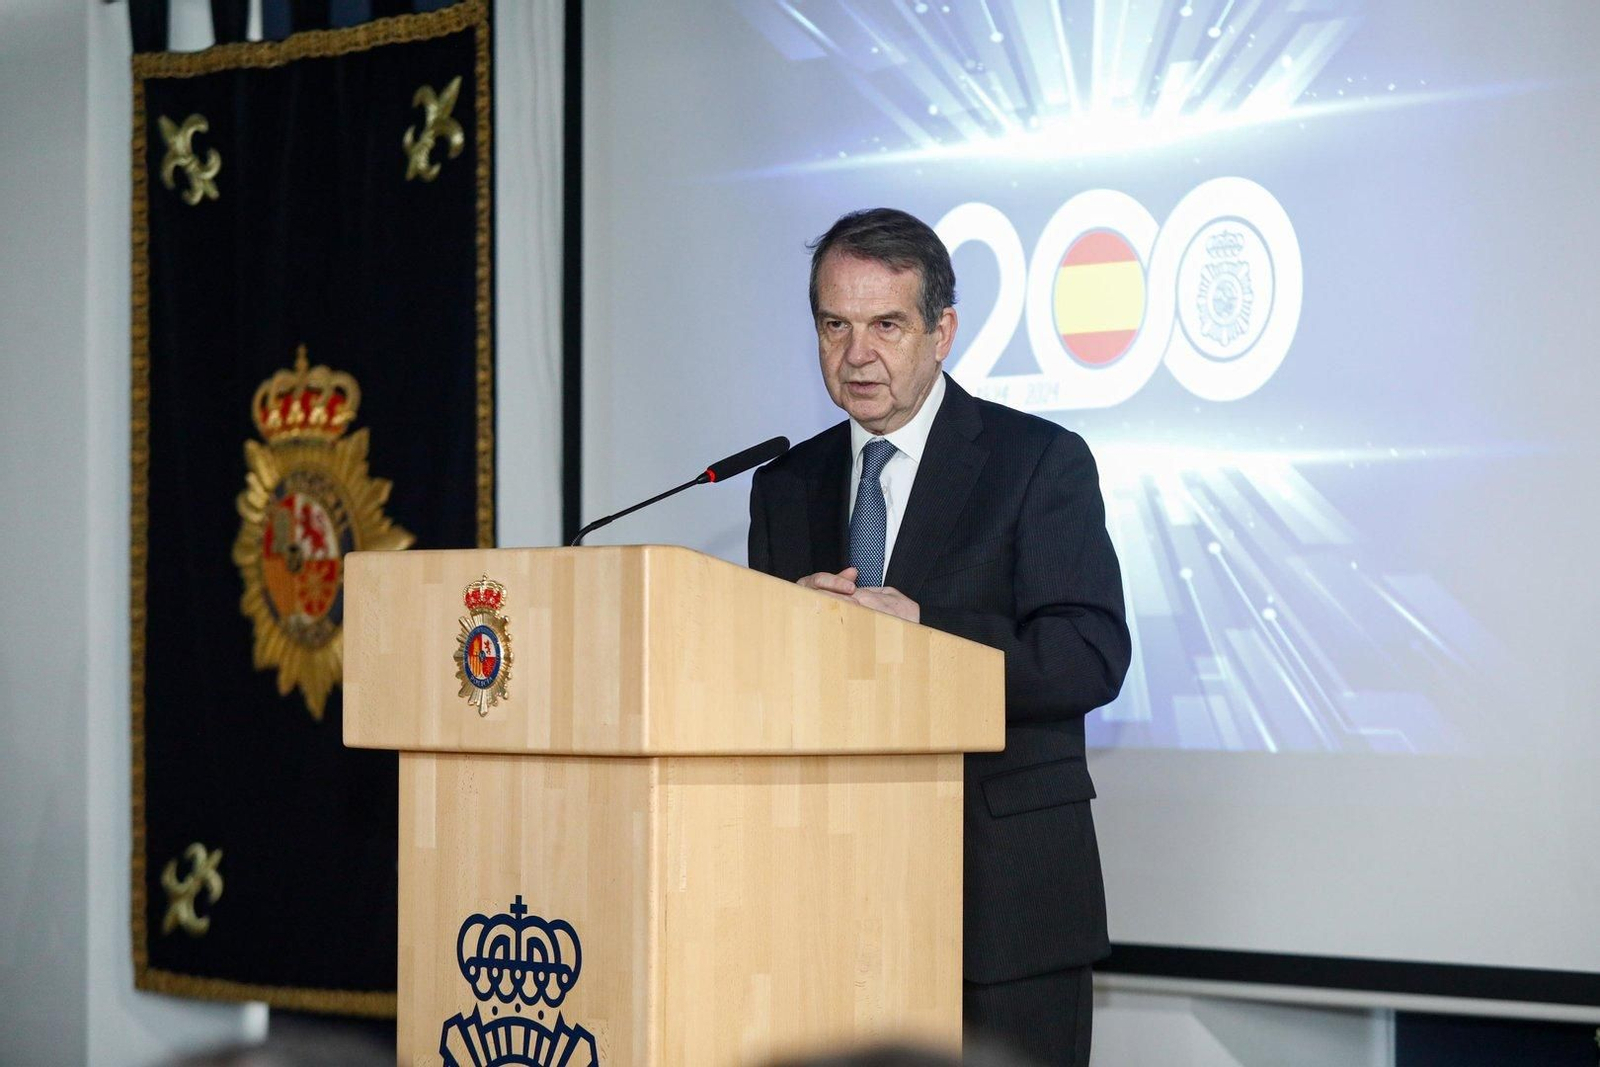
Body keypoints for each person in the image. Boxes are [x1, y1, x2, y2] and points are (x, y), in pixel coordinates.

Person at [747, 208, 1131, 1067]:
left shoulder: (1037, 461)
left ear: (942, 330)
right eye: (834, 326)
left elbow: (1089, 653)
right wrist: (774, 637)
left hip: (1000, 906)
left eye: (887, 324)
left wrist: (927, 632)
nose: (857, 354)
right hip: (827, 904)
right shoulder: (784, 484)